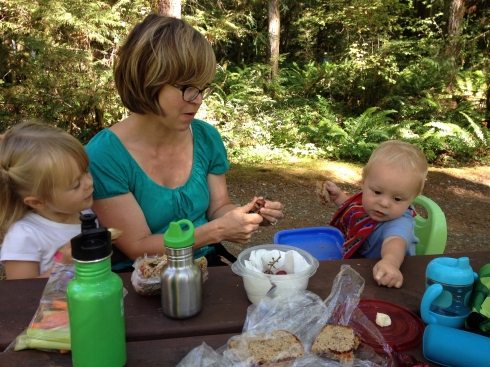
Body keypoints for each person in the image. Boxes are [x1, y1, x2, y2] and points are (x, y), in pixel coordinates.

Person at [85, 14, 284, 270]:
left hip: (204, 266)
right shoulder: (104, 156)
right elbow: (137, 247)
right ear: (149, 80)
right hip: (140, 279)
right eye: (188, 87)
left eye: (203, 88)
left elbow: (218, 208)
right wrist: (217, 231)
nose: (199, 100)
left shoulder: (205, 138)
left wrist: (248, 216)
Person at [326, 140, 428, 288]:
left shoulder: (400, 223)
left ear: (413, 197)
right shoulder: (368, 204)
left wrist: (390, 262)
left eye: (397, 199)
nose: (384, 203)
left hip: (385, 280)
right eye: (378, 192)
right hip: (361, 268)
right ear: (363, 182)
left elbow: (395, 243)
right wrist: (340, 198)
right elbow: (356, 212)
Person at [0, 121, 94, 279]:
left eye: (86, 172)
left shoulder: (85, 213)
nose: (89, 182)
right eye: (76, 184)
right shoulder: (24, 236)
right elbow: (21, 294)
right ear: (37, 202)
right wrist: (63, 263)